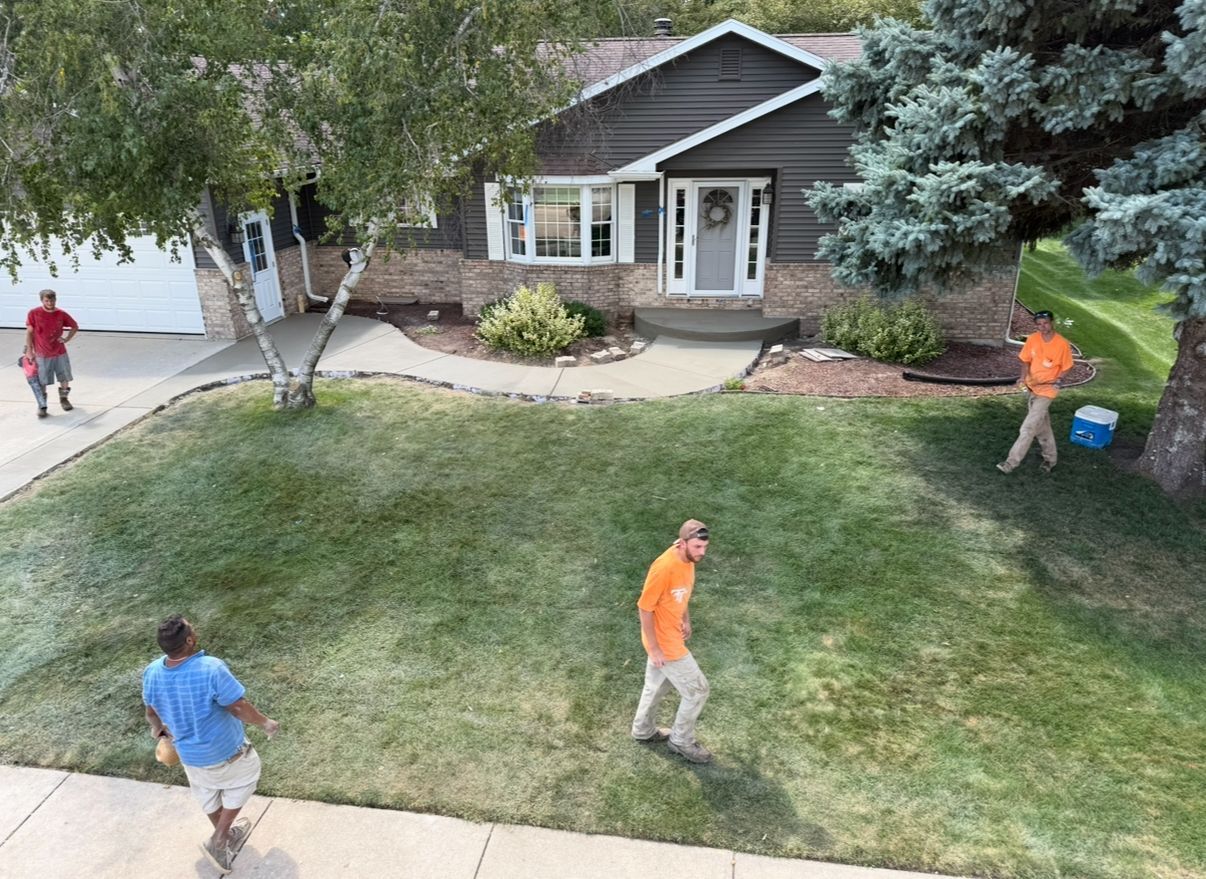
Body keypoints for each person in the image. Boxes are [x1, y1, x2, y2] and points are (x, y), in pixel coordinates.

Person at [142, 615, 280, 875]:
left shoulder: (152, 672)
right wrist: (266, 723)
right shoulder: (210, 668)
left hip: (189, 754)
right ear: (190, 640)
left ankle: (226, 837)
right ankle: (219, 838)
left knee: (208, 793)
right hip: (225, 750)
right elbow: (238, 706)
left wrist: (159, 731)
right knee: (246, 779)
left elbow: (151, 711)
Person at [630, 519, 713, 764]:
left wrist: (685, 617)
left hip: (671, 634)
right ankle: (681, 741)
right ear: (682, 543)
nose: (702, 553)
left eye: (705, 547)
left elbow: (681, 593)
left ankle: (642, 730)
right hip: (665, 644)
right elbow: (644, 608)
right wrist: (654, 648)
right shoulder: (664, 567)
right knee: (698, 691)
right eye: (697, 547)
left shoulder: (687, 559)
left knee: (655, 687)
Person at [997, 309, 1074, 474]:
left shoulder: (1061, 344)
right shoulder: (1032, 339)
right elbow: (1025, 360)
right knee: (1042, 427)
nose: (1043, 327)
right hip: (1033, 387)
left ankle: (1010, 463)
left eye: (1045, 323)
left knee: (1028, 428)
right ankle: (1050, 459)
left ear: (1052, 322)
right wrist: (1023, 377)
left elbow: (1067, 366)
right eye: (1039, 324)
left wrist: (1059, 380)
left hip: (1047, 391)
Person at [23, 289, 78, 417]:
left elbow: (74, 326)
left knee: (64, 376)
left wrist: (66, 339)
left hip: (59, 352)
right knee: (42, 380)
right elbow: (29, 333)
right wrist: (29, 350)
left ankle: (64, 399)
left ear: (55, 300)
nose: (50, 303)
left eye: (52, 300)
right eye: (47, 300)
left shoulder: (61, 314)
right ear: (42, 300)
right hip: (41, 353)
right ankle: (42, 405)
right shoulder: (34, 313)